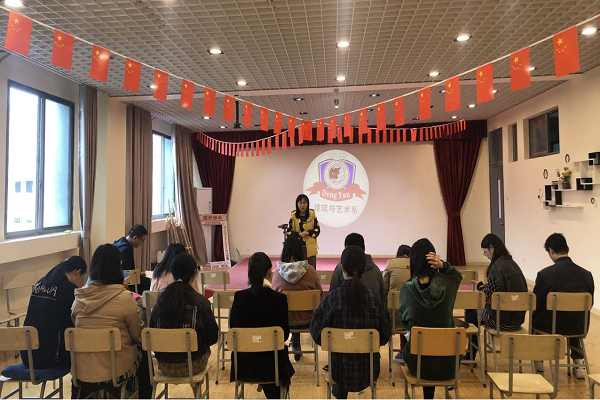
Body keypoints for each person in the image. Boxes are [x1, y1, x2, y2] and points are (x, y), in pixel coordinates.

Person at [310, 245, 389, 399]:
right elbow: (385, 336)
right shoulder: (375, 300)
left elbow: (316, 334)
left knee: (339, 361)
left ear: (342, 268)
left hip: (338, 371)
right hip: (369, 371)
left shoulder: (332, 299)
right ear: (364, 268)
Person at [71, 244, 151, 398]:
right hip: (116, 370)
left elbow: (75, 327)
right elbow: (137, 335)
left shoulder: (78, 300)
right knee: (145, 354)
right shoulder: (124, 298)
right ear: (117, 267)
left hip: (83, 370)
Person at [399, 239, 462, 399]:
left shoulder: (407, 289)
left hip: (419, 364)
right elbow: (458, 275)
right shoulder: (449, 284)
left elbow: (404, 322)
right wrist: (443, 265)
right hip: (448, 364)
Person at [229, 252, 295, 398]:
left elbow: (232, 330)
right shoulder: (279, 300)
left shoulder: (239, 298)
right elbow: (284, 335)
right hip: (273, 366)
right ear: (269, 272)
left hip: (244, 366)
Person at [532, 233, 594, 378]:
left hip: (552, 327)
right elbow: (590, 303)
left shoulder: (544, 275)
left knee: (537, 316)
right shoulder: (587, 275)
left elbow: (536, 302)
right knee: (573, 315)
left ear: (551, 250)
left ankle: (538, 359)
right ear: (568, 249)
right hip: (579, 327)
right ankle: (578, 361)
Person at [150, 253, 218, 383]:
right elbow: (212, 337)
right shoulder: (200, 301)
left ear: (173, 273)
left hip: (164, 365)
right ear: (195, 273)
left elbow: (152, 329)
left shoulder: (161, 301)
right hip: (193, 366)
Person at [464, 233, 528, 360]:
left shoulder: (495, 268)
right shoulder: (514, 265)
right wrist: (485, 286)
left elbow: (489, 298)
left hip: (500, 322)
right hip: (518, 321)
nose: (487, 256)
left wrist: (481, 287)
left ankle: (471, 353)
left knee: (471, 308)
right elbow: (502, 291)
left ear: (492, 248)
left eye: (485, 252)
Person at [19, 257, 86, 370]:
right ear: (77, 272)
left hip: (27, 355)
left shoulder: (40, 283)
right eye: (81, 277)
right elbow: (72, 321)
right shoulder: (69, 288)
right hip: (51, 358)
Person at [272, 237, 322, 361]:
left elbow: (274, 296)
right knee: (298, 312)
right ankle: (297, 350)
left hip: (285, 321)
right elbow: (320, 294)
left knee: (289, 310)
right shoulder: (311, 271)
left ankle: (296, 349)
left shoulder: (277, 273)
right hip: (309, 320)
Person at [330, 233, 384, 301]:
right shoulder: (376, 270)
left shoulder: (340, 267)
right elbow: (383, 298)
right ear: (364, 248)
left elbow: (331, 293)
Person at [383, 244, 411, 360]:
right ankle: (408, 350)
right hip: (413, 317)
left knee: (397, 307)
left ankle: (403, 351)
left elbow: (384, 289)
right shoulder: (416, 265)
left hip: (394, 318)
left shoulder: (390, 264)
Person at [286, 194, 320, 268]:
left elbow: (317, 231)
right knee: (298, 270)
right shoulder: (293, 217)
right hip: (297, 248)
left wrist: (308, 233)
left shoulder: (312, 216)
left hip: (310, 248)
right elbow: (288, 232)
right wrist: (298, 234)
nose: (302, 205)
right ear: (297, 204)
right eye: (300, 203)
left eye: (304, 203)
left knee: (311, 270)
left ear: (308, 204)